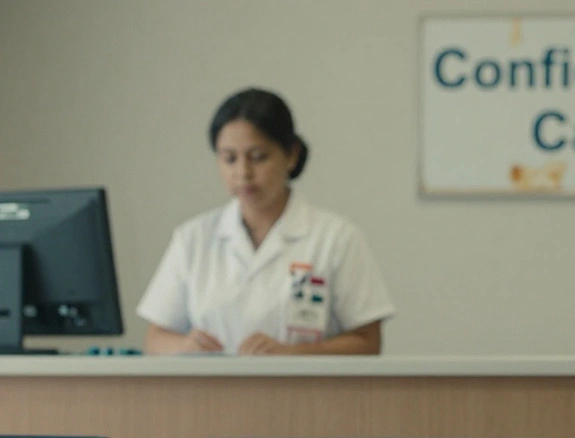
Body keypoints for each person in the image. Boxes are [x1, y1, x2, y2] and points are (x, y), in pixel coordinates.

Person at [138, 88, 394, 355]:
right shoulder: (192, 238)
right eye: (229, 158)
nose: (242, 172)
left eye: (258, 157)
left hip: (306, 395)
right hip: (212, 395)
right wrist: (185, 346)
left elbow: (368, 342)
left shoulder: (336, 238)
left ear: (291, 155)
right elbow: (155, 338)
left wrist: (292, 355)